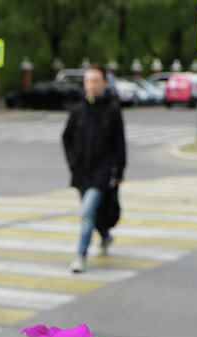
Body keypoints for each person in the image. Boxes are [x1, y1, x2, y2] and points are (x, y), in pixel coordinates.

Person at [61, 64, 126, 274]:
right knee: (92, 213)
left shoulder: (112, 110)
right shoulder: (78, 109)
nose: (91, 85)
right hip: (81, 171)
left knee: (88, 211)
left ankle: (80, 255)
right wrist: (72, 161)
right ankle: (106, 236)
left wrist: (119, 172)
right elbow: (66, 137)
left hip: (102, 171)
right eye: (88, 81)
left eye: (96, 80)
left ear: (104, 83)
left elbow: (119, 143)